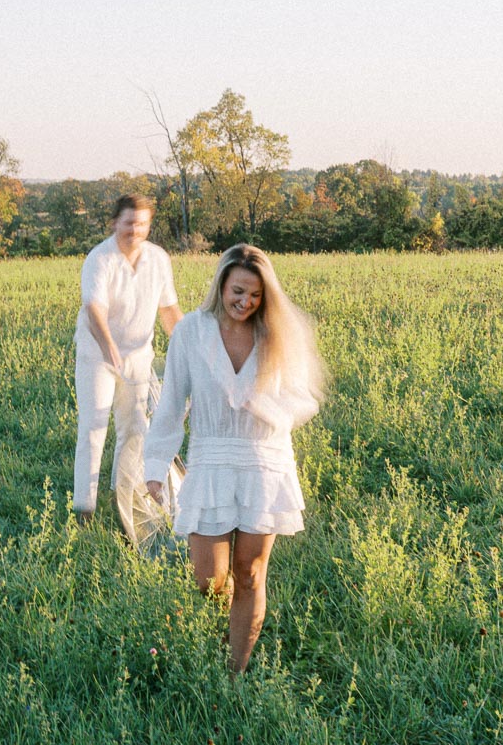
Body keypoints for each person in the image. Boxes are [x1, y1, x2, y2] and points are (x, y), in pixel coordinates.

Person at [145, 243, 325, 673]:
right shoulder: (191, 331)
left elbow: (305, 401)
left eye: (256, 295)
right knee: (209, 580)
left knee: (250, 573)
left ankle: (234, 671)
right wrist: (155, 467)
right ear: (222, 283)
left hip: (264, 459)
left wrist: (262, 403)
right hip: (210, 458)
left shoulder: (275, 333)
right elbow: (171, 404)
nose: (247, 302)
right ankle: (227, 615)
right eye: (239, 291)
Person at [73, 194, 182, 523]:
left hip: (138, 357)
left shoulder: (158, 259)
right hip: (98, 356)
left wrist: (188, 349)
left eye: (142, 223)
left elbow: (169, 310)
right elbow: (94, 310)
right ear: (115, 223)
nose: (135, 229)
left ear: (149, 226)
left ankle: (124, 498)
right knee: (93, 428)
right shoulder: (100, 258)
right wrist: (110, 349)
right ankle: (84, 509)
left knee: (135, 429)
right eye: (129, 222)